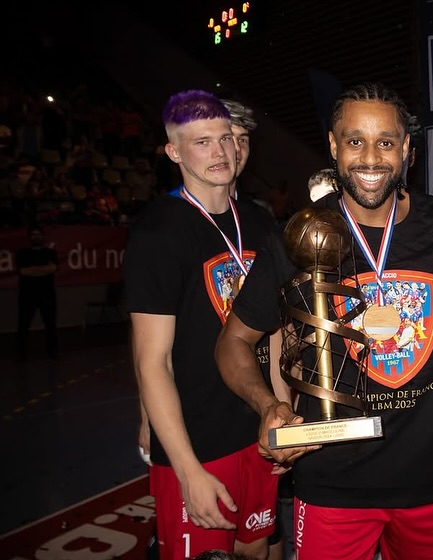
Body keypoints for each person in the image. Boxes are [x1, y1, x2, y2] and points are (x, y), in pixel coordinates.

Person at [214, 82, 433, 560]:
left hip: (432, 483)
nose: (370, 157)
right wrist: (265, 405)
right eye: (355, 141)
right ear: (333, 146)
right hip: (332, 483)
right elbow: (234, 340)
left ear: (406, 149)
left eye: (386, 142)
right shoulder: (301, 235)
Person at [123, 89, 287, 560]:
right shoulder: (157, 233)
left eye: (225, 140)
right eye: (201, 143)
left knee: (255, 549)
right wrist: (186, 468)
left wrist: (277, 412)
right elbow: (151, 361)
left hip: (253, 430)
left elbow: (274, 334)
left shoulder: (258, 223)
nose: (219, 152)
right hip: (196, 440)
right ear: (174, 152)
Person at [15, 224, 58, 362]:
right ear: (29, 237)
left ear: (43, 236)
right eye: (33, 234)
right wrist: (43, 269)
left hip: (47, 294)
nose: (36, 237)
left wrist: (33, 270)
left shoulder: (51, 253)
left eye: (39, 234)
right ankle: (20, 355)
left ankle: (53, 354)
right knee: (23, 325)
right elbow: (23, 271)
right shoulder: (22, 253)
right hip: (27, 295)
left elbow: (53, 268)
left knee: (50, 325)